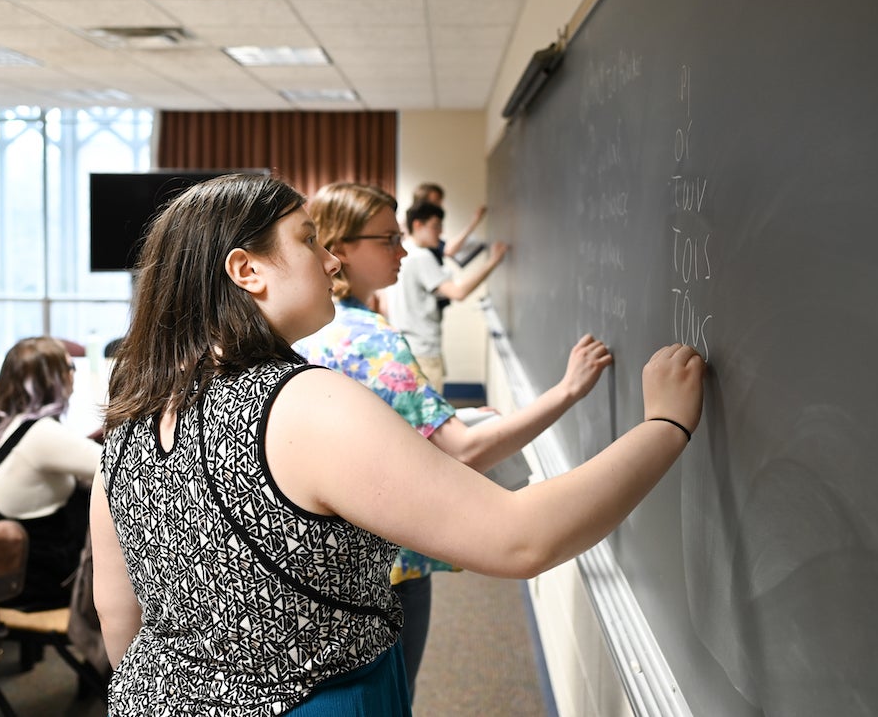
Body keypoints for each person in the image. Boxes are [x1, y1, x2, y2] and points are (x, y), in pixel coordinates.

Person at [90, 173, 705, 716]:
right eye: (307, 240)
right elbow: (520, 538)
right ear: (246, 270)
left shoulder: (128, 424)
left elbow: (121, 622)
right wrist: (665, 427)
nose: (331, 262)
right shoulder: (302, 403)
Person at [295, 182, 612, 697]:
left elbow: (374, 428)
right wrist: (569, 391)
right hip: (389, 567)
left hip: (333, 563)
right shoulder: (372, 340)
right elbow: (463, 451)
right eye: (386, 240)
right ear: (343, 248)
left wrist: (450, 416)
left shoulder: (312, 332)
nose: (403, 251)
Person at [0, 336, 101, 609]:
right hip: (34, 579)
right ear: (55, 379)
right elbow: (121, 469)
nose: (74, 374)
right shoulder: (43, 435)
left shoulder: (2, 422)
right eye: (70, 367)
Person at [385, 199, 508, 391]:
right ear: (418, 225)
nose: (440, 232)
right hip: (422, 351)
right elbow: (458, 293)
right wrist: (494, 261)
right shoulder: (421, 257)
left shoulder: (403, 253)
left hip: (407, 346)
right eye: (435, 226)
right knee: (430, 417)